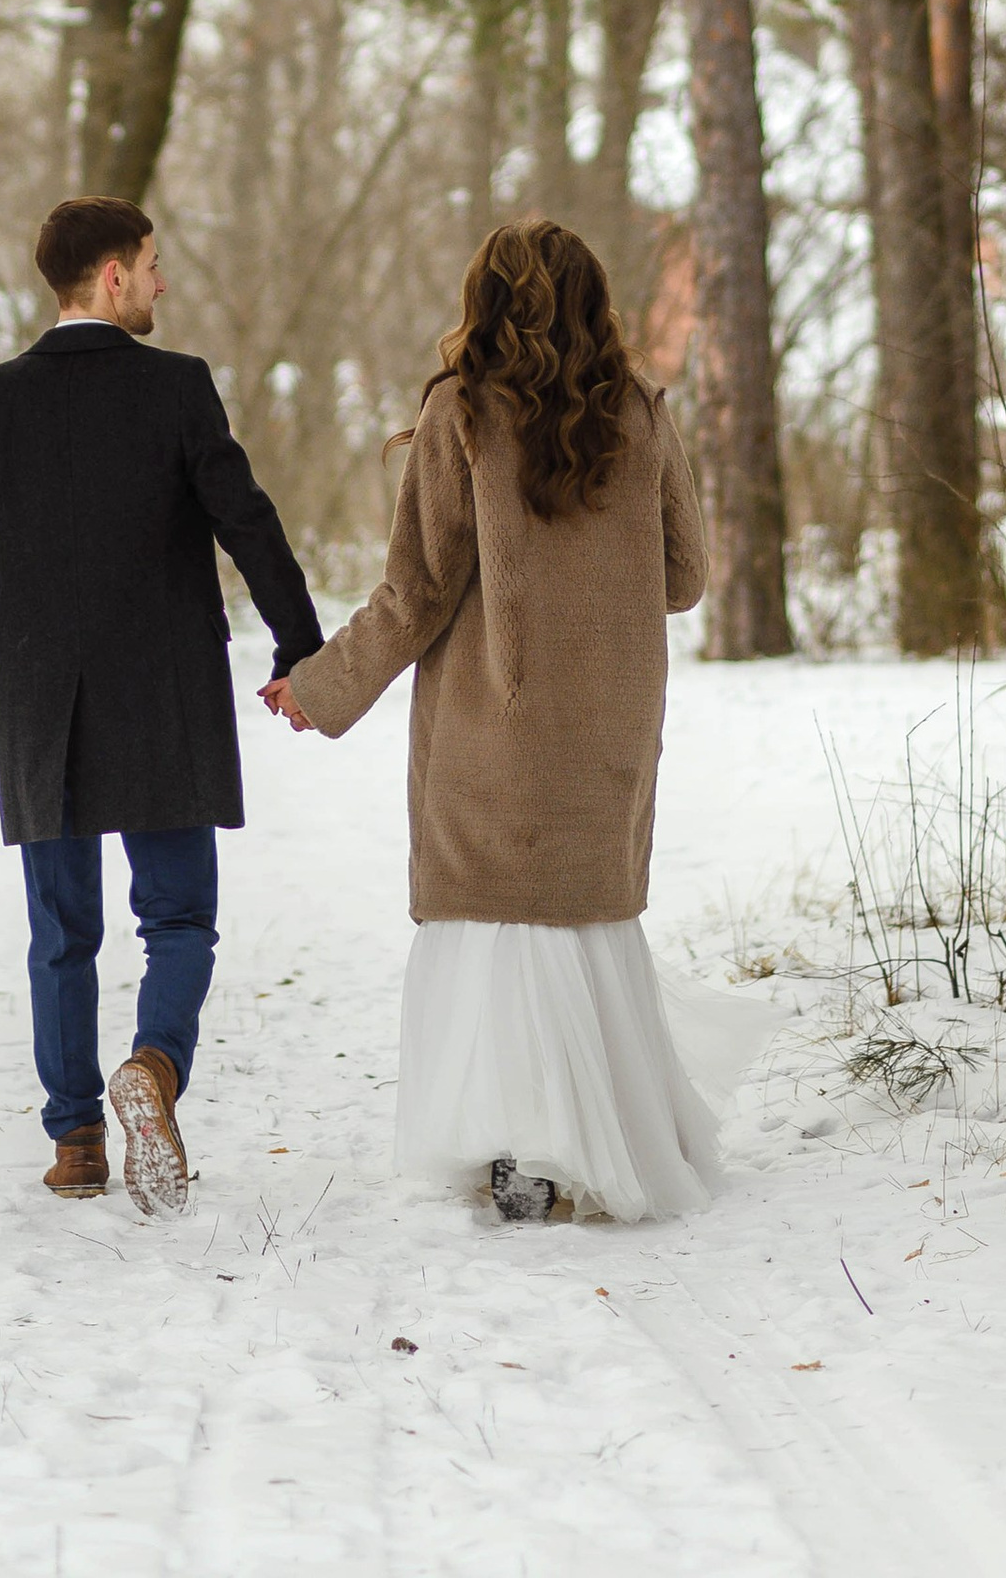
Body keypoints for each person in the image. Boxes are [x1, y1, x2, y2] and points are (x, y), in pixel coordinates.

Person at [264, 217, 724, 1226]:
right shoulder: (640, 415)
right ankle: (609, 1136)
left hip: (495, 721)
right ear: (593, 301)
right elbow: (685, 578)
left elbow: (416, 591)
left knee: (500, 931)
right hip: (606, 719)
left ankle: (522, 1149)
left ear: (486, 301)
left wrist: (319, 685)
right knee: (582, 923)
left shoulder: (463, 415)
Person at [0, 195, 324, 1213]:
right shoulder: (178, 388)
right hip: (167, 682)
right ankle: (155, 1069)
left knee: (61, 930)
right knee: (179, 917)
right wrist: (299, 645)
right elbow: (246, 520)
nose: (161, 282)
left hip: (44, 689)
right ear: (110, 277)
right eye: (149, 264)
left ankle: (78, 1139)